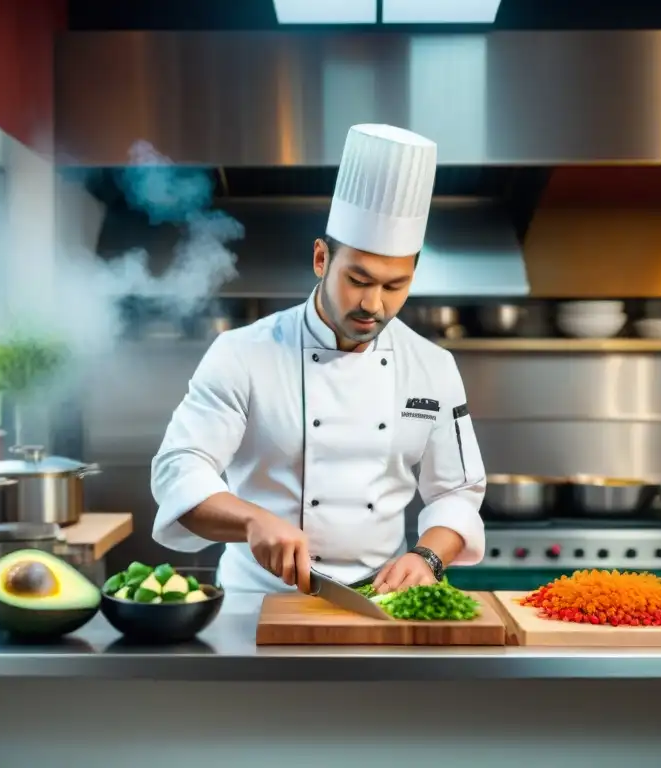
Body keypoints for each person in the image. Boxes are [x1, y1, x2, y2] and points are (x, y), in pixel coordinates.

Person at [150, 123, 486, 595]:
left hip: (380, 603)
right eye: (359, 279)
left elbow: (457, 490)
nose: (373, 304)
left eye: (394, 287)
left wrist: (426, 556)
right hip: (259, 600)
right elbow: (178, 468)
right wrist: (250, 520)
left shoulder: (432, 366)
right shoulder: (243, 353)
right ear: (321, 259)